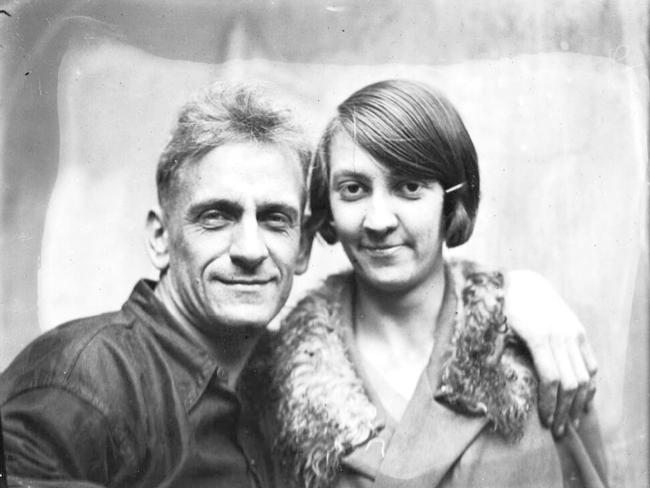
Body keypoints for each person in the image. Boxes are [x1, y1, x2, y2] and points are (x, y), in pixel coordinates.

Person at [0, 81, 597, 488]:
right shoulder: (82, 382)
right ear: (159, 237)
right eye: (216, 216)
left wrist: (508, 293)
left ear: (305, 243)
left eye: (276, 219)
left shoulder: (261, 377)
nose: (250, 250)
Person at [261, 80, 608, 488]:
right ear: (328, 208)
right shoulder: (280, 380)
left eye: (409, 187)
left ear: (452, 202)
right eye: (353, 189)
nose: (379, 221)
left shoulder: (535, 347)